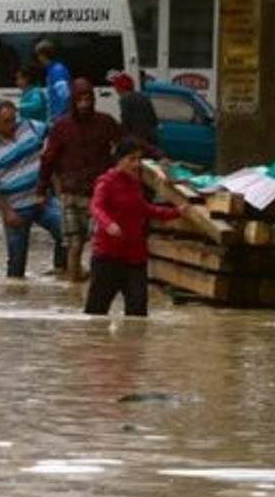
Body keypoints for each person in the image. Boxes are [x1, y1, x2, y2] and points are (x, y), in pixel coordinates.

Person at [41, 78, 160, 282]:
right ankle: (74, 287)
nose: (84, 104)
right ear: (73, 101)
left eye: (88, 99)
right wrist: (41, 189)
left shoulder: (104, 122)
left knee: (99, 243)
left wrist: (156, 153)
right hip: (71, 193)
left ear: (93, 100)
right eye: (80, 100)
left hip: (99, 194)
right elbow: (48, 159)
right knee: (75, 245)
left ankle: (94, 285)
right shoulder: (62, 127)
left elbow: (128, 141)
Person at [85, 138, 186, 316]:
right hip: (108, 257)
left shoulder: (135, 183)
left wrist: (176, 212)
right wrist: (109, 224)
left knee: (138, 313)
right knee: (96, 313)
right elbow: (96, 206)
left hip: (135, 258)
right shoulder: (106, 181)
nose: (137, 164)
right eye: (131, 159)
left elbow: (144, 209)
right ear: (119, 160)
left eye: (139, 159)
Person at [0, 97, 64, 279]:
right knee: (16, 261)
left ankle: (61, 272)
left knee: (67, 233)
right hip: (15, 208)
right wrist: (7, 211)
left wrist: (56, 183)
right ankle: (15, 298)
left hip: (43, 200)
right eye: (6, 121)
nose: (12, 125)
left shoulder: (32, 128)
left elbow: (57, 135)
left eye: (14, 119)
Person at [110, 72, 158, 146]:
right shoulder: (143, 96)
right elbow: (154, 119)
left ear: (120, 87)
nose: (115, 90)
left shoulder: (125, 99)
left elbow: (125, 121)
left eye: (116, 87)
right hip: (152, 138)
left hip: (138, 140)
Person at [34, 39, 71, 122]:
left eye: (38, 56)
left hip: (61, 119)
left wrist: (58, 116)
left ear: (42, 55)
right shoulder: (52, 69)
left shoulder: (57, 70)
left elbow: (65, 96)